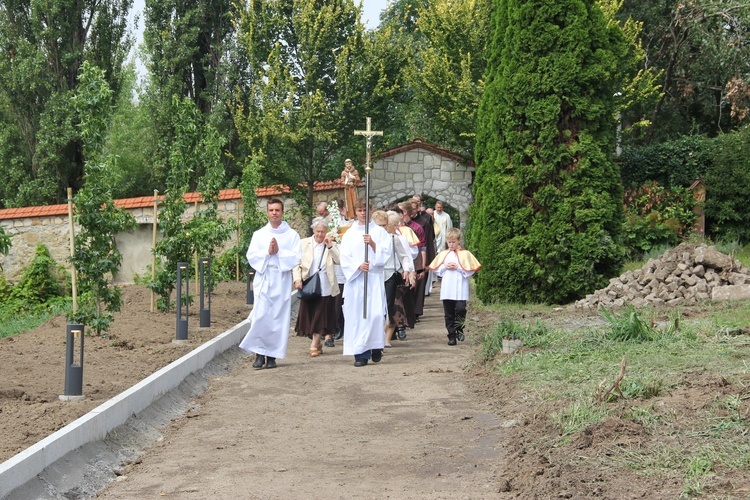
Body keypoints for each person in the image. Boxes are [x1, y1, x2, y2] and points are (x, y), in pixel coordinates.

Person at [239, 198, 302, 369]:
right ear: (267, 212)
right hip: (265, 277)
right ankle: (259, 354)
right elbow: (251, 256)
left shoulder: (292, 235)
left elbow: (296, 257)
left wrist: (279, 252)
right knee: (261, 317)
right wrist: (267, 252)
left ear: (282, 212)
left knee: (277, 318)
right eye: (271, 210)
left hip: (281, 279)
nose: (274, 213)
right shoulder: (259, 234)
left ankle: (272, 355)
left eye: (277, 210)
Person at [340, 197, 391, 367]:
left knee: (375, 315)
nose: (363, 213)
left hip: (373, 279)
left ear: (370, 211)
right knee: (358, 317)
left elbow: (386, 254)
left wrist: (374, 244)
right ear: (355, 212)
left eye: (365, 210)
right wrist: (357, 266)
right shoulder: (349, 234)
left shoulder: (379, 232)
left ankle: (376, 346)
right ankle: (360, 354)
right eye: (360, 210)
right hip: (357, 280)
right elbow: (344, 257)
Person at [294, 218, 340, 356]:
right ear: (313, 230)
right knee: (310, 313)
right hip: (308, 283)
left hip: (325, 284)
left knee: (320, 313)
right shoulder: (303, 243)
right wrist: (297, 279)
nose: (320, 234)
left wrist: (330, 246)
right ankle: (317, 341)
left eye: (323, 231)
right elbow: (296, 263)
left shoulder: (330, 244)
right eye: (318, 231)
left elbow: (339, 260)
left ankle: (314, 344)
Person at [427, 228, 481, 346]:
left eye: (453, 242)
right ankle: (451, 335)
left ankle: (460, 327)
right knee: (449, 312)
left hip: (460, 286)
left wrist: (458, 268)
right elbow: (437, 270)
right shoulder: (443, 254)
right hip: (447, 287)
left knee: (461, 309)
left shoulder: (465, 254)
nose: (451, 244)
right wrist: (445, 266)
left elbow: (470, 270)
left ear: (459, 241)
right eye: (449, 242)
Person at [377, 210, 416, 347]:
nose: (383, 228)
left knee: (391, 306)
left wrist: (408, 271)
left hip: (392, 274)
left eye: (385, 225)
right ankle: (379, 337)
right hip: (376, 275)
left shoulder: (395, 239)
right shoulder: (373, 238)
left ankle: (385, 338)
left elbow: (405, 256)